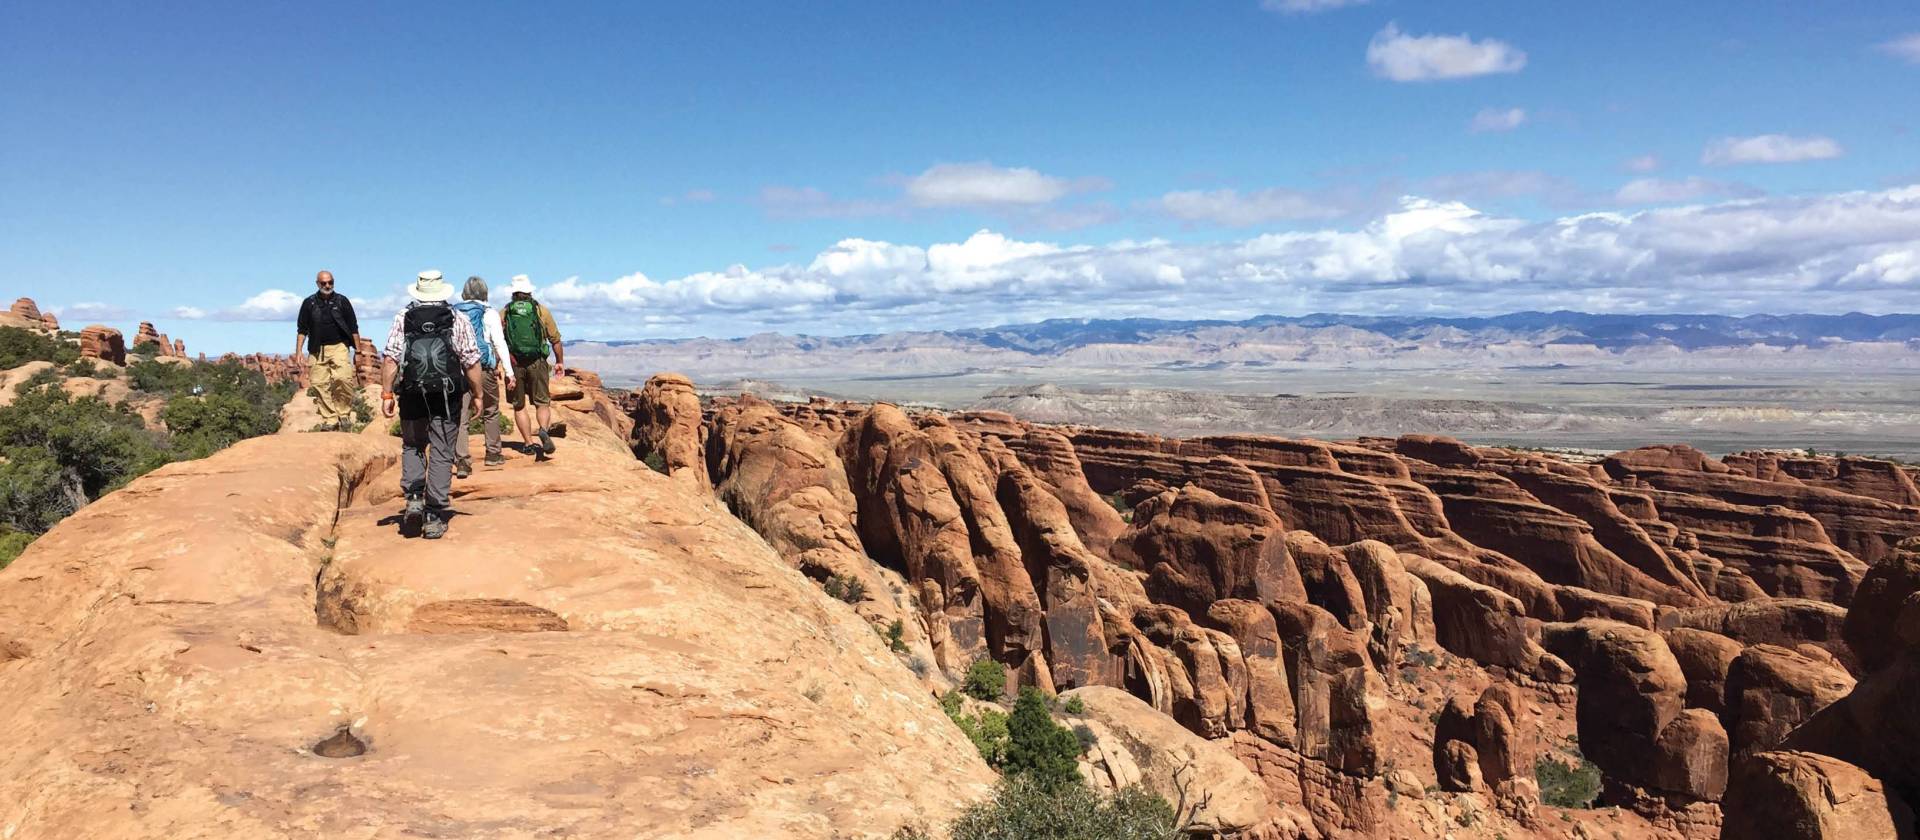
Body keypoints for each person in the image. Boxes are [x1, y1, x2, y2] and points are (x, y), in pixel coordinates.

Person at [380, 270, 484, 539]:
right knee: (442, 449)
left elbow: (390, 358)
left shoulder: (403, 317)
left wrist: (387, 394)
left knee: (413, 444)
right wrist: (478, 394)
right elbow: (471, 360)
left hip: (412, 393)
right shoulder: (457, 318)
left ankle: (414, 497)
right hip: (447, 395)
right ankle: (434, 515)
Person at [451, 276, 515, 475]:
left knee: (461, 416)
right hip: (484, 369)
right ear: (485, 292)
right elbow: (499, 343)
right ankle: (493, 454)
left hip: (460, 369)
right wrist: (509, 372)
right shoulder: (489, 313)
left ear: (464, 293)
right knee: (491, 410)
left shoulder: (453, 312)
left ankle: (462, 461)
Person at [501, 274, 565, 459]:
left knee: (519, 406)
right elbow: (555, 340)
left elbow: (498, 341)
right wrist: (559, 362)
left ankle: (528, 444)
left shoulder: (505, 312)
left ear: (513, 292)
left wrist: (501, 364)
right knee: (542, 403)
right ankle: (543, 429)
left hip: (514, 364)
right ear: (530, 291)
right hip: (537, 362)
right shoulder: (541, 311)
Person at [293, 270, 361, 430]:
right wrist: (298, 352)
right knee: (319, 383)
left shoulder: (342, 301)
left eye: (330, 282)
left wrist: (358, 352)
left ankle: (343, 413)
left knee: (343, 379)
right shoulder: (309, 303)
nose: (328, 285)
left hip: (339, 346)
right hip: (317, 349)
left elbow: (353, 327)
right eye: (324, 283)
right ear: (317, 284)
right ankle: (330, 419)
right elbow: (302, 330)